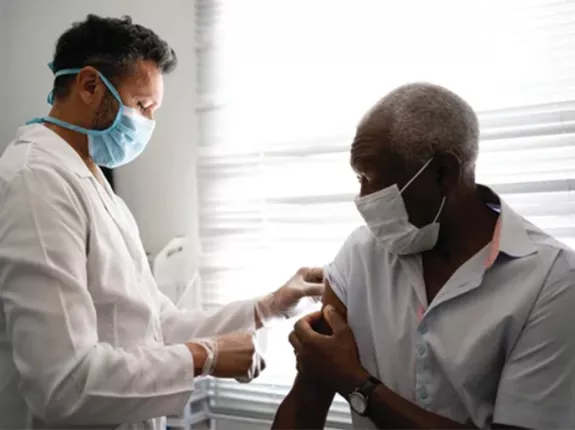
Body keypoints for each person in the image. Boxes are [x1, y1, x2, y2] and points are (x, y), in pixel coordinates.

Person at [0, 15, 323, 430]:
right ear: (89, 85)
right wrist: (203, 357)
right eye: (141, 106)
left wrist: (268, 306)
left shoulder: (91, 179)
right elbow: (64, 385)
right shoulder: (35, 182)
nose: (146, 125)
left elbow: (155, 323)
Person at [273, 83, 575, 429]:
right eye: (359, 177)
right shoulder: (361, 255)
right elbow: (307, 397)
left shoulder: (553, 281)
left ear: (442, 173)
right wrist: (329, 370)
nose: (363, 197)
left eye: (372, 178)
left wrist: (357, 384)